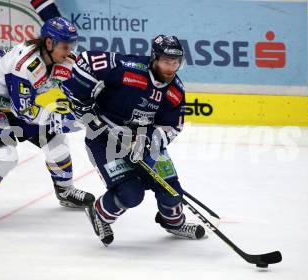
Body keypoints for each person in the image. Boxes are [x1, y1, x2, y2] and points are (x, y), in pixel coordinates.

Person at [0, 17, 95, 236]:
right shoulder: (25, 66)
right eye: (65, 46)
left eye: (71, 46)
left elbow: (76, 90)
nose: (69, 51)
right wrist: (57, 118)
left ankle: (65, 191)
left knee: (56, 140)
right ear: (49, 43)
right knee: (4, 156)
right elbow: (23, 112)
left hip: (11, 103)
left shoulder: (61, 58)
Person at [61, 35, 206, 246]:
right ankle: (99, 213)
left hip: (142, 139)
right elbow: (85, 60)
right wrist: (81, 101)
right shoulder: (129, 68)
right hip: (103, 139)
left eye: (176, 63)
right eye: (167, 61)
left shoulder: (175, 91)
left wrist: (148, 142)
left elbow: (173, 126)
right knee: (130, 194)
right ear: (154, 58)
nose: (171, 68)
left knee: (171, 189)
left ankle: (173, 223)